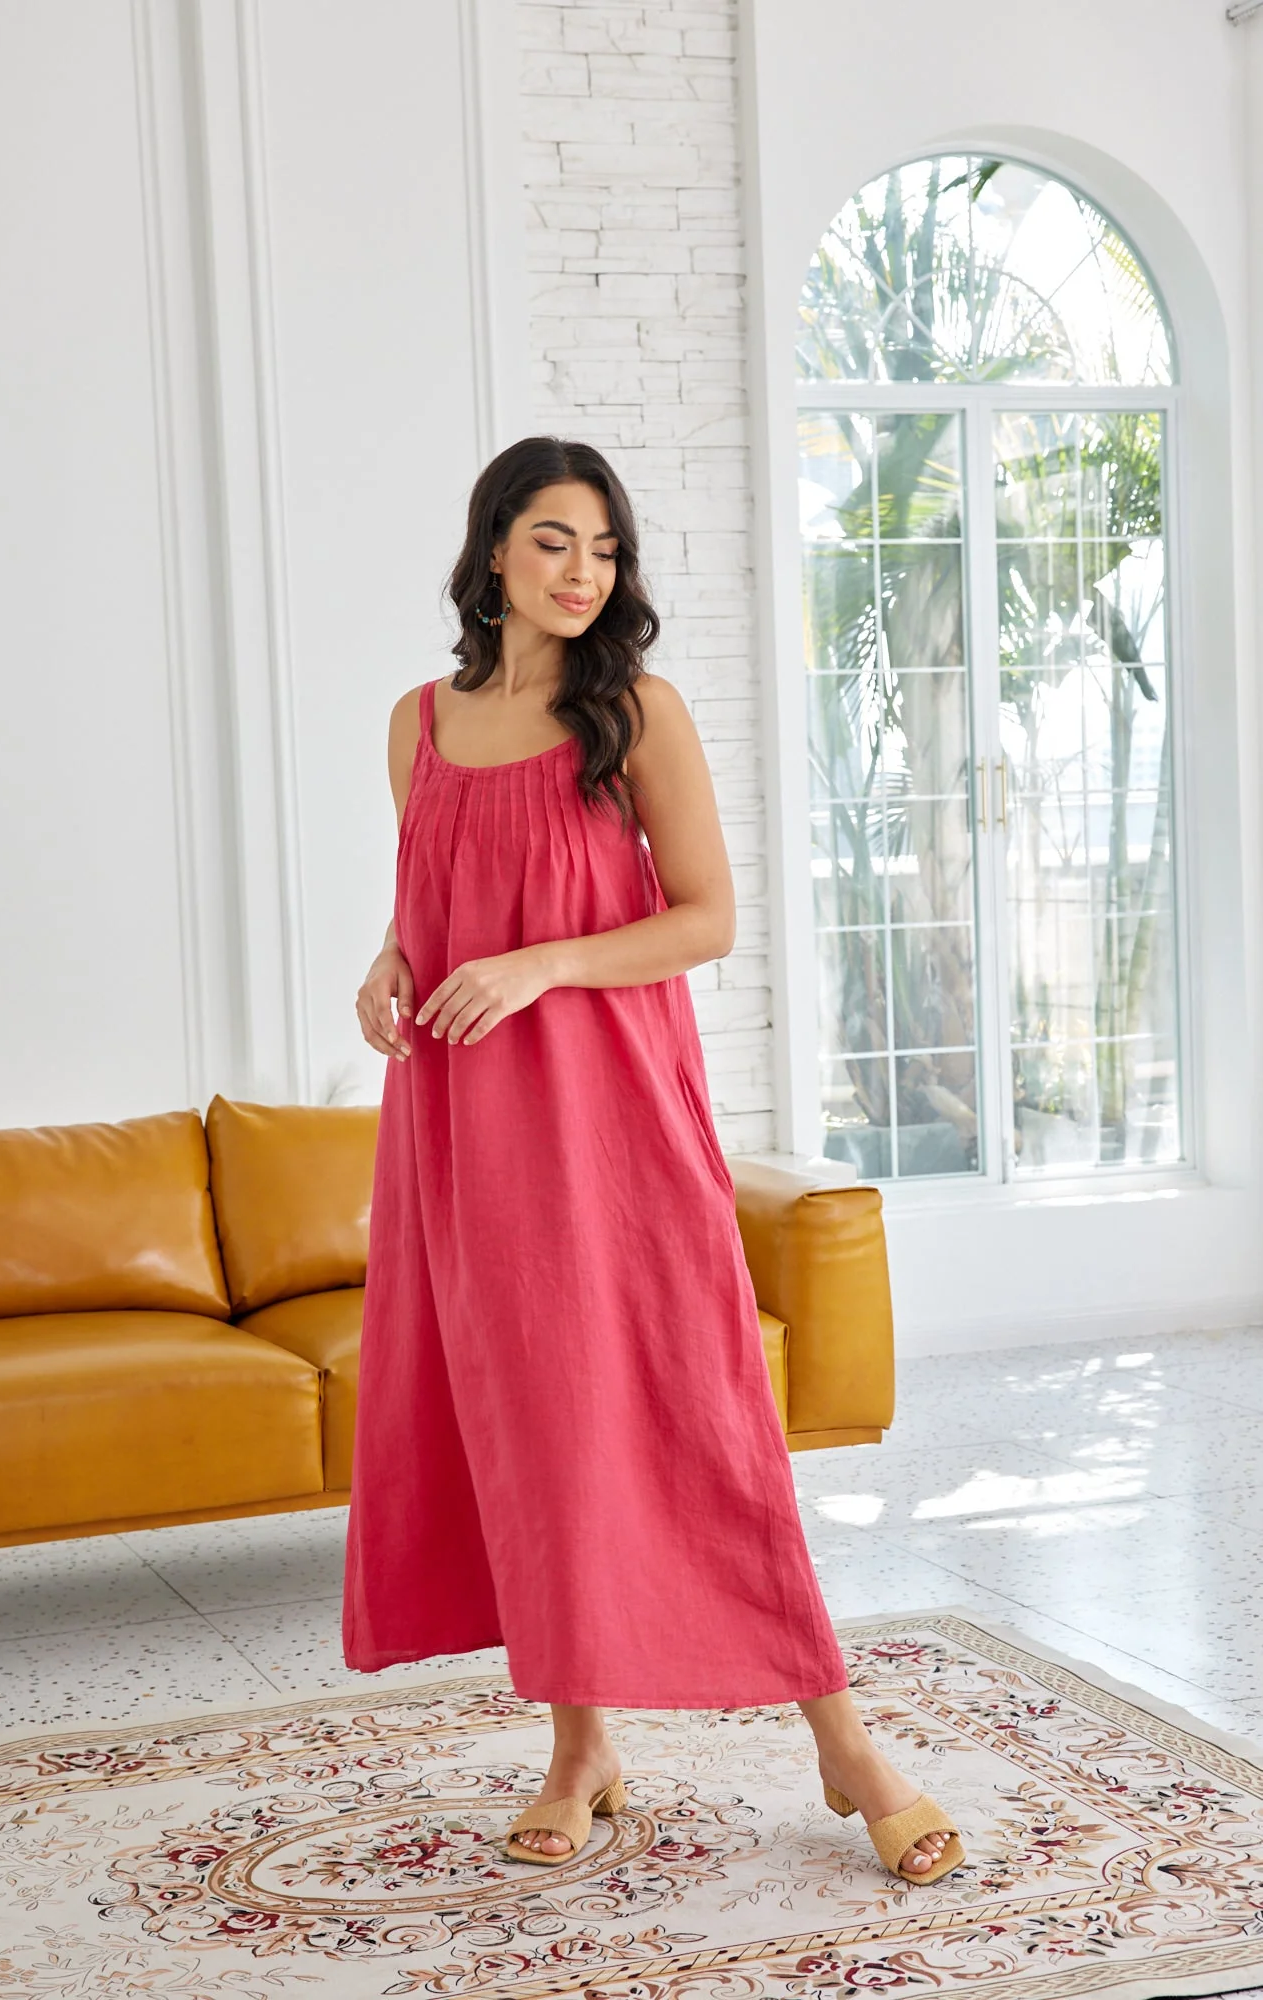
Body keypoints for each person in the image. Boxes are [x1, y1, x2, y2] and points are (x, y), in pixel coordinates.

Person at [342, 436, 964, 1886]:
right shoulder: (417, 725)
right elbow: (432, 897)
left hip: (615, 1118)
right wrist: (388, 965)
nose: (583, 573)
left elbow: (705, 918)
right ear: (494, 550)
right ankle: (582, 1749)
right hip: (463, 1128)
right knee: (532, 1429)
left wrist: (542, 964)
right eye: (554, 541)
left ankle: (843, 1741)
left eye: (605, 548)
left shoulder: (635, 714)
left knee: (698, 1415)